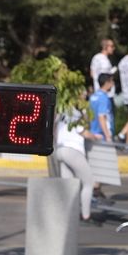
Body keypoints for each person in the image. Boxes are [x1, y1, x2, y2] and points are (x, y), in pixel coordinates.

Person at [52, 95, 96, 223]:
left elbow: (54, 129)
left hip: (60, 148)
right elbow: (83, 131)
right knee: (88, 182)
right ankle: (86, 216)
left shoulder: (62, 110)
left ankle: (68, 214)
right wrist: (96, 137)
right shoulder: (77, 112)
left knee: (69, 185)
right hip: (73, 150)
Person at [88, 72, 116, 141]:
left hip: (93, 133)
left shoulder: (93, 96)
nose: (113, 84)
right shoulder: (104, 98)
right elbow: (102, 117)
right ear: (106, 83)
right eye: (111, 81)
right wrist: (108, 136)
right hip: (102, 136)